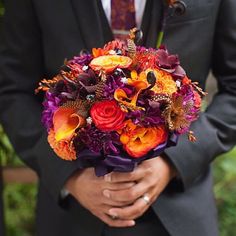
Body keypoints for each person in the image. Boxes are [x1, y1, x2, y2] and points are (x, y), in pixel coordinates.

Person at [0, 0, 235, 235]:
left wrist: (174, 161)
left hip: (179, 213)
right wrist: (69, 176)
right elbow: (13, 90)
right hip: (73, 217)